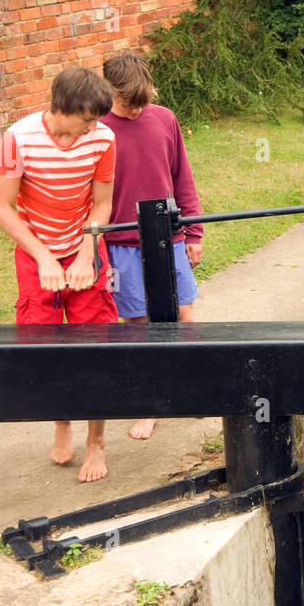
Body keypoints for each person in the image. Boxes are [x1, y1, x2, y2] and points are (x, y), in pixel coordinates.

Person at [0, 67, 117, 483]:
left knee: (96, 347)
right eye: (88, 119)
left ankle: (95, 442)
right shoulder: (17, 139)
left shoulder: (103, 139)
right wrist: (45, 258)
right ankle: (62, 423)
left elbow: (102, 205)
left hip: (84, 246)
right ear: (65, 108)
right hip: (36, 252)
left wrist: (85, 256)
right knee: (43, 346)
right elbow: (2, 207)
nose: (94, 126)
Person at [100, 52, 203, 441]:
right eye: (129, 102)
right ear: (110, 90)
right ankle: (151, 402)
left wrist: (193, 233)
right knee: (137, 324)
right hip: (121, 244)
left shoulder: (164, 118)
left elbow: (183, 179)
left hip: (170, 237)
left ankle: (197, 389)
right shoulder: (97, 129)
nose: (137, 109)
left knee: (184, 314)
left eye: (142, 101)